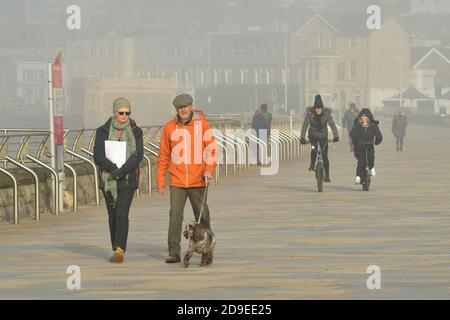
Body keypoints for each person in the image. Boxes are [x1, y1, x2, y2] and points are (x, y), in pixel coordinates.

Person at [157, 93, 217, 264]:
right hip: (177, 181)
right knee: (175, 216)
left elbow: (211, 150)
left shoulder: (202, 125)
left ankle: (207, 246)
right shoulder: (169, 128)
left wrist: (209, 169)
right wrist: (160, 180)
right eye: (180, 108)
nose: (183, 110)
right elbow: (163, 155)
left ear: (191, 106)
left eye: (186, 107)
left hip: (199, 180)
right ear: (176, 109)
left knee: (203, 215)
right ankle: (174, 251)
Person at [93, 97, 144, 263]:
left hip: (128, 177)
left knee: (122, 212)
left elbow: (137, 155)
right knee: (112, 214)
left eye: (127, 113)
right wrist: (112, 169)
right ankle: (115, 246)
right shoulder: (102, 131)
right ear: (115, 112)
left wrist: (122, 171)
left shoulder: (136, 131)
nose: (124, 116)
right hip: (109, 178)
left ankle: (120, 250)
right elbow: (98, 154)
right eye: (121, 112)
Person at [300, 95, 339, 183]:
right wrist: (302, 138)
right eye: (316, 108)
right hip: (313, 136)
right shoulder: (310, 114)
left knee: (325, 156)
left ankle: (327, 175)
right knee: (314, 149)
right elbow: (305, 126)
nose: (318, 110)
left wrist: (336, 136)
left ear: (322, 108)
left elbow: (332, 125)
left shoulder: (326, 114)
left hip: (323, 137)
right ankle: (312, 164)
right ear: (314, 108)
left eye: (319, 108)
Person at [349, 108, 383, 185]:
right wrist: (356, 138)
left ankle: (371, 167)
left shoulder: (373, 125)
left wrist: (377, 141)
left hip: (369, 145)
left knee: (371, 157)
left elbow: (378, 135)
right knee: (361, 161)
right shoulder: (357, 125)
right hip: (360, 146)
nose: (364, 118)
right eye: (362, 117)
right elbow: (351, 134)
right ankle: (358, 176)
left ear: (368, 117)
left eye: (365, 117)